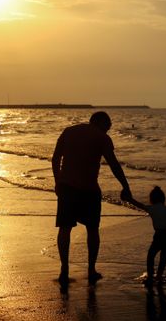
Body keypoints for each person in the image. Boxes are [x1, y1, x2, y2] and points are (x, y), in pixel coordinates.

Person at [52, 111, 133, 286]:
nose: (109, 129)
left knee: (65, 228)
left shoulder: (69, 131)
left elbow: (55, 158)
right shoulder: (102, 138)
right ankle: (91, 270)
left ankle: (64, 269)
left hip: (66, 187)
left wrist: (58, 181)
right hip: (89, 189)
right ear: (101, 123)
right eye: (108, 125)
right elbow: (114, 164)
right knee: (93, 229)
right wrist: (125, 186)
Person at [127, 186, 166, 287]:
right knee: (164, 256)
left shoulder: (151, 208)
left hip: (160, 235)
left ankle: (150, 277)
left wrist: (129, 199)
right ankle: (159, 276)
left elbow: (139, 205)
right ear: (163, 199)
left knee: (151, 255)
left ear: (151, 199)